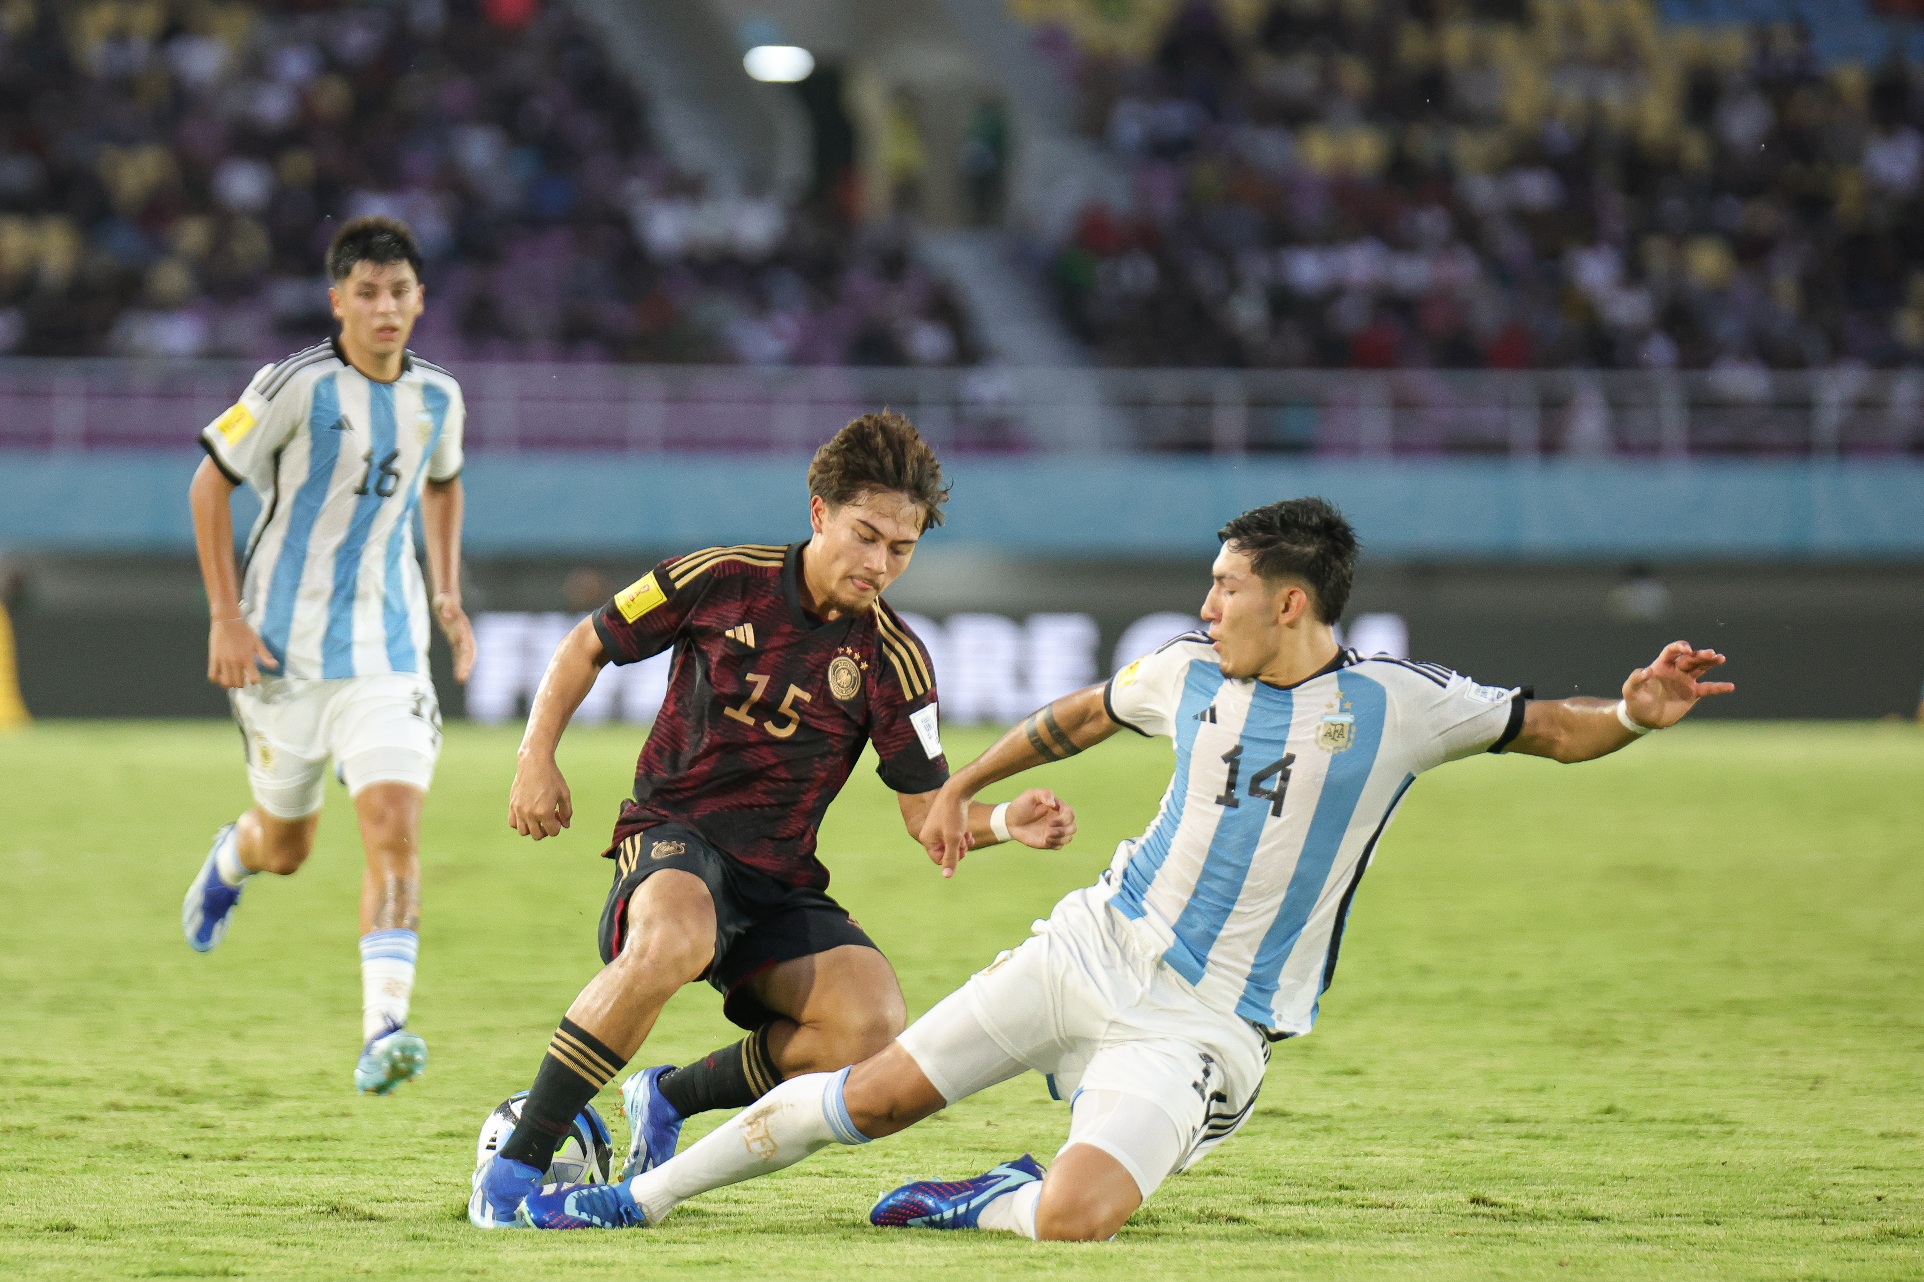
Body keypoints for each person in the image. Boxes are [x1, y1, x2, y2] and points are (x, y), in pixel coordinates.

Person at [508, 496, 1735, 1237]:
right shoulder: (1185, 672)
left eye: (1226, 588)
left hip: (1207, 1024)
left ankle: (982, 1197)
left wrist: (1631, 712)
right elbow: (1081, 715)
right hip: (1090, 945)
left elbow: (1549, 728)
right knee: (872, 1096)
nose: (1205, 606)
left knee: (1073, 1218)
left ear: (1291, 603)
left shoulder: (1399, 705)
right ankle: (635, 1200)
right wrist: (971, 792)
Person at [469, 411, 1077, 1228]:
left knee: (868, 1026)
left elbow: (926, 814)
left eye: (901, 549)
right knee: (675, 939)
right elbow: (589, 641)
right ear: (820, 512)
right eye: (866, 536)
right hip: (673, 834)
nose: (880, 564)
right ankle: (513, 1172)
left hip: (777, 879)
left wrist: (1002, 820)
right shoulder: (720, 577)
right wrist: (535, 756)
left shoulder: (894, 660)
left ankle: (668, 1097)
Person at [179, 216, 474, 1097]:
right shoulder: (293, 385)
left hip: (389, 653)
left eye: (400, 292)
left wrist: (446, 593)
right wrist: (225, 617)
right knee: (288, 847)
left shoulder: (440, 397)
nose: (386, 308)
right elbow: (208, 484)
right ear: (338, 300)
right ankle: (233, 856)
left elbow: (444, 483)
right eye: (368, 292)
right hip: (282, 654)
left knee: (392, 825)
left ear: (420, 301)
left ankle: (384, 1028)